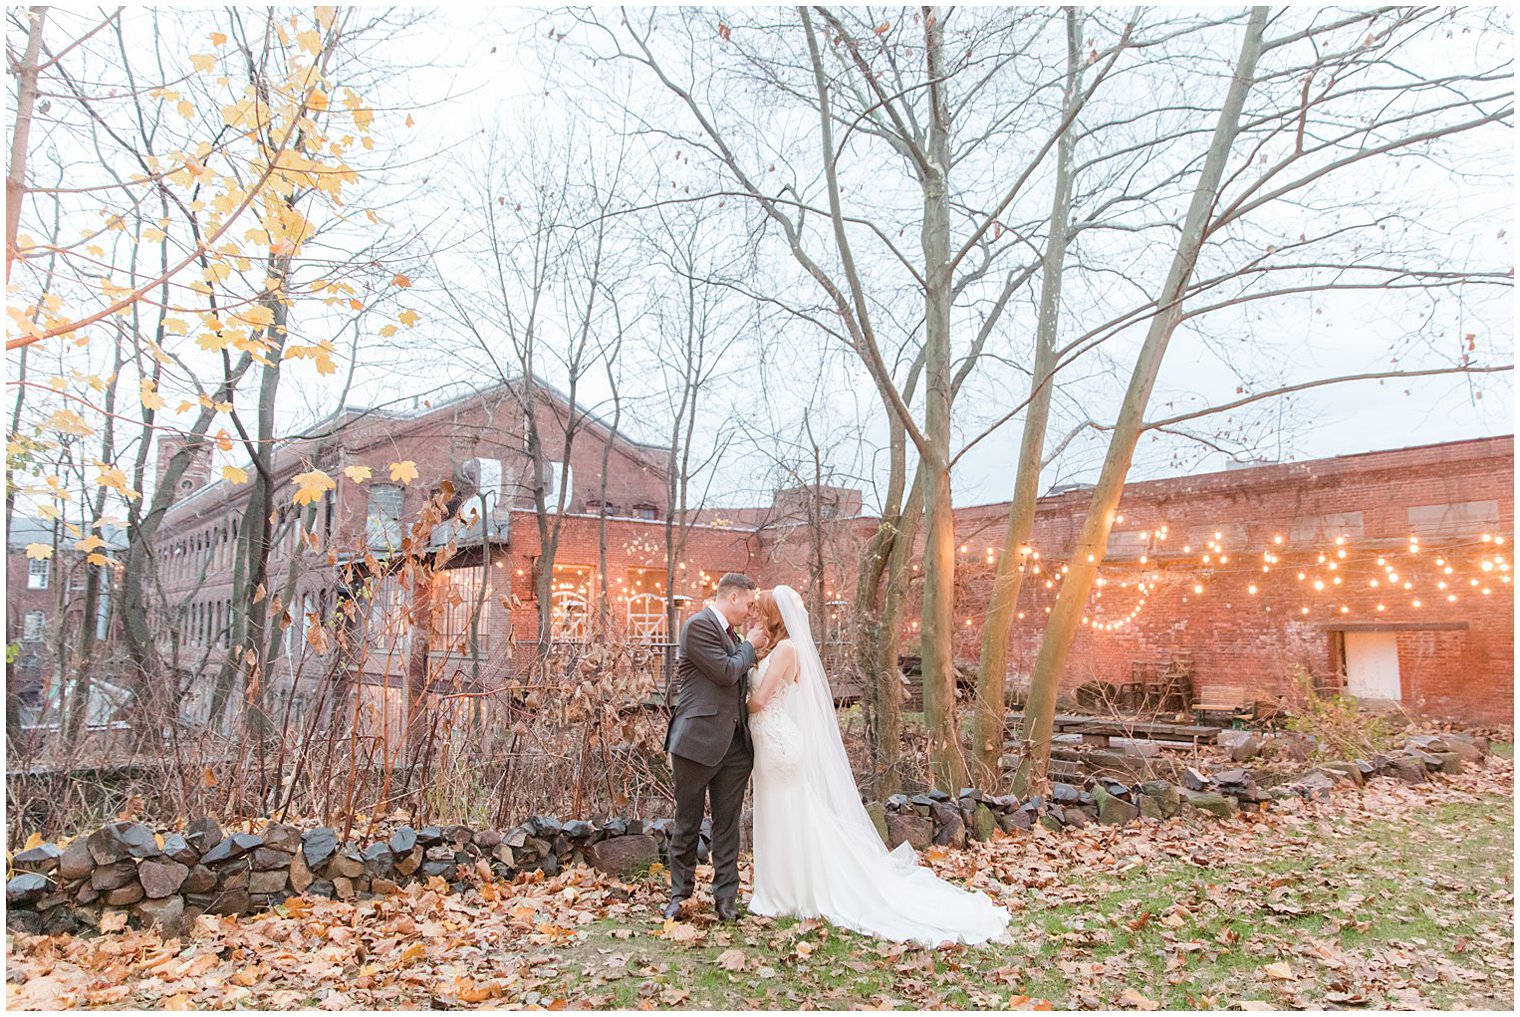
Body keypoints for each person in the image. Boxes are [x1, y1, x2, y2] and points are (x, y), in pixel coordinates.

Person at [745, 585, 1010, 946]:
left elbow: (760, 701)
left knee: (788, 815)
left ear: (775, 615)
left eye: (761, 611)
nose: (756, 616)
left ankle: (790, 892)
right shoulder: (774, 648)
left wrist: (731, 698)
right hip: (769, 744)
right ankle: (780, 889)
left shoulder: (787, 649)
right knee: (781, 815)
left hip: (777, 745)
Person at [663, 572, 769, 922]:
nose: (751, 611)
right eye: (749, 604)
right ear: (733, 597)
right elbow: (726, 672)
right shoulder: (698, 626)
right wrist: (751, 646)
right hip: (696, 742)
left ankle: (726, 898)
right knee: (687, 821)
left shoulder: (732, 635)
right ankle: (680, 895)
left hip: (736, 747)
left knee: (728, 825)